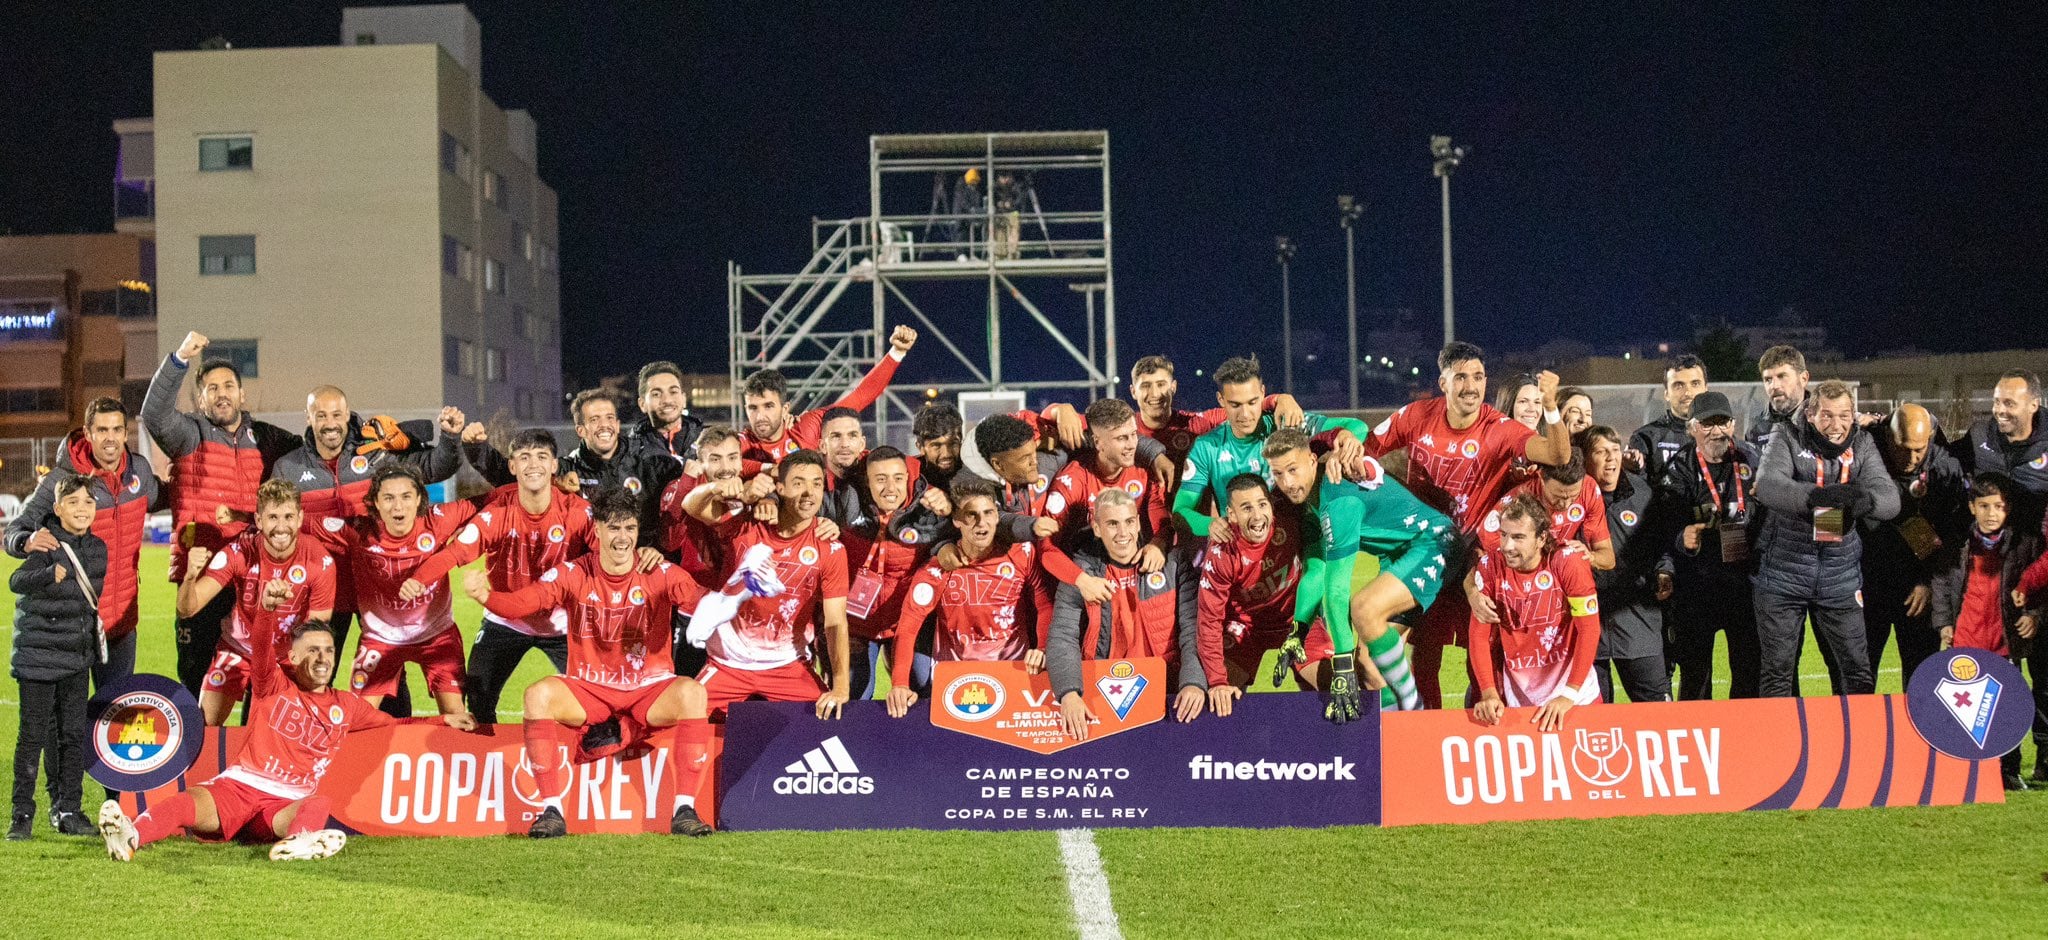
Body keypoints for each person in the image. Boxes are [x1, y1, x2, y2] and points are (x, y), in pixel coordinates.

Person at [467, 489, 740, 838]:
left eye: (629, 528)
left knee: (692, 693)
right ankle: (550, 811)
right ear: (596, 531)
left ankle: (684, 810)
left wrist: (744, 589)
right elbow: (525, 603)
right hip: (589, 690)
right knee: (538, 695)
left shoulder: (661, 572)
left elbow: (706, 605)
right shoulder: (572, 573)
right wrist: (485, 596)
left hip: (648, 690)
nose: (622, 537)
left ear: (638, 531)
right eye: (613, 528)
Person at [98, 619, 473, 861]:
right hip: (239, 786)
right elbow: (261, 647)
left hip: (282, 805)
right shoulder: (272, 683)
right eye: (312, 649)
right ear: (292, 656)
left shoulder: (347, 706)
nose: (322, 657)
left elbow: (396, 724)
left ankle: (296, 844)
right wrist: (267, 608)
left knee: (318, 802)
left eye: (328, 650)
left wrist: (444, 719)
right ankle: (130, 838)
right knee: (185, 804)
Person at [1362, 342, 1572, 708]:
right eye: (1460, 377)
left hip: (1473, 560)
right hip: (1424, 553)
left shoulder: (1499, 428)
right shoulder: (1416, 415)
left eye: (1478, 377)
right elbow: (1365, 447)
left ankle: (1473, 743)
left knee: (1483, 660)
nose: (1470, 386)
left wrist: (1551, 408)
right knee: (1399, 654)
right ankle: (1413, 730)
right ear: (1443, 382)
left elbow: (1558, 455)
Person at [271, 388, 462, 717]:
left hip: (378, 581)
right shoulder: (288, 467)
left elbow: (435, 466)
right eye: (321, 415)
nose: (329, 423)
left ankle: (392, 747)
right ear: (309, 419)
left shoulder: (376, 452)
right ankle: (311, 741)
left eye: (335, 414)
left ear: (347, 415)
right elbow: (278, 523)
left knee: (388, 665)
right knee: (314, 668)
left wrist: (449, 436)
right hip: (322, 590)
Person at [141, 331, 300, 695]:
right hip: (201, 574)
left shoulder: (266, 438)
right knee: (196, 675)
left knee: (258, 673)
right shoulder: (190, 434)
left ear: (242, 394)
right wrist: (180, 358)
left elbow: (313, 454)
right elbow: (154, 414)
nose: (222, 393)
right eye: (212, 388)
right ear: (200, 398)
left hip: (251, 573)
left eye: (228, 385)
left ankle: (251, 748)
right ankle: (203, 751)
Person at [1266, 429, 1457, 720]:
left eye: (1293, 470)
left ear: (1312, 460)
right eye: (1278, 474)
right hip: (1400, 556)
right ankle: (1397, 735)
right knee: (1368, 665)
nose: (1288, 483)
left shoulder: (1338, 501)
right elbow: (1317, 572)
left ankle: (1414, 712)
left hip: (1433, 543)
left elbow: (1337, 589)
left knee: (1363, 608)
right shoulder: (1313, 501)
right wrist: (1298, 631)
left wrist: (1341, 663)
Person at [409, 429, 593, 725]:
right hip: (505, 620)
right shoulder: (498, 512)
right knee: (479, 701)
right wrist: (418, 578)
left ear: (555, 465)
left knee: (592, 701)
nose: (533, 464)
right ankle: (487, 765)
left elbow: (608, 557)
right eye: (524, 457)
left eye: (541, 457)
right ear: (512, 466)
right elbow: (456, 552)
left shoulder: (578, 511)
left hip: (563, 623)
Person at [1753, 380, 1900, 697]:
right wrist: (1817, 497)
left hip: (1840, 577)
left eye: (1845, 415)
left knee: (1857, 673)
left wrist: (1865, 502)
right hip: (1783, 574)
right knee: (1777, 675)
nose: (1837, 425)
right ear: (1809, 414)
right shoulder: (1787, 435)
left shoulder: (1861, 444)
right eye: (1827, 416)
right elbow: (1767, 485)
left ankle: (1855, 744)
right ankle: (1783, 746)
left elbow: (1890, 498)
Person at [4, 397, 163, 690]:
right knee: (70, 724)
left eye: (117, 430)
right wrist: (26, 542)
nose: (110, 439)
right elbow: (15, 531)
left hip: (121, 624)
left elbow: (166, 496)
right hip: (71, 625)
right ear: (88, 434)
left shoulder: (138, 472)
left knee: (112, 718)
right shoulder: (63, 480)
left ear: (125, 433)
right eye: (102, 430)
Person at [680, 450, 853, 718]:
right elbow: (690, 506)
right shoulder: (747, 524)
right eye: (798, 483)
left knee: (829, 723)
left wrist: (841, 687)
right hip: (729, 661)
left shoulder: (830, 548)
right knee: (682, 718)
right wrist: (717, 487)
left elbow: (835, 622)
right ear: (779, 488)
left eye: (816, 483)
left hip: (787, 664)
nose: (809, 492)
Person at [305, 463, 476, 721]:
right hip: (380, 640)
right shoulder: (358, 531)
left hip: (437, 637)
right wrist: (245, 518)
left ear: (419, 498)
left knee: (456, 715)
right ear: (375, 502)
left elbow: (492, 502)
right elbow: (295, 521)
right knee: (359, 719)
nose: (398, 507)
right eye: (388, 498)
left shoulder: (439, 519)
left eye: (406, 497)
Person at [176, 481, 337, 726]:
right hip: (238, 649)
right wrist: (189, 577)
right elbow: (187, 609)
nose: (281, 527)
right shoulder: (239, 551)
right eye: (272, 517)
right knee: (206, 725)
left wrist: (293, 670)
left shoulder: (319, 560)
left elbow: (316, 632)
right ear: (259, 520)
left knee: (288, 729)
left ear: (300, 518)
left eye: (288, 517)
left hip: (287, 658)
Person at [884, 479, 1049, 718]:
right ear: (957, 521)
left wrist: (1042, 647)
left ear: (997, 516)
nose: (982, 523)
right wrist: (899, 683)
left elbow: (1045, 603)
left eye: (988, 513)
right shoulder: (937, 569)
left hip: (1014, 672)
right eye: (971, 515)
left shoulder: (1022, 554)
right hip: (957, 681)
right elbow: (908, 626)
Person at [1046, 489, 1204, 737]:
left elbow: (1193, 629)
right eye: (1112, 524)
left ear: (1139, 523)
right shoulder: (1080, 574)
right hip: (1103, 696)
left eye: (1129, 522)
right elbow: (1062, 635)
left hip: (1166, 692)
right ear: (1097, 528)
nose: (1123, 533)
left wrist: (1193, 681)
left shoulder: (1172, 564)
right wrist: (1068, 693)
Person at [1929, 473, 2040, 790]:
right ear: (1971, 507)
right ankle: (1966, 770)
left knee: (2007, 709)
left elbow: (2039, 588)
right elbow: (1940, 583)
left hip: (2002, 642)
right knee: (1965, 707)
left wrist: (2033, 615)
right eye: (1985, 506)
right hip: (1967, 640)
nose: (1993, 514)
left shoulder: (2022, 544)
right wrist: (1944, 623)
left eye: (2000, 506)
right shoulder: (1958, 545)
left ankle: (2008, 771)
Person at [9, 478, 106, 840]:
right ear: (58, 507)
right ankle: (21, 815)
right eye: (73, 501)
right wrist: (48, 574)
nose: (82, 508)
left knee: (72, 735)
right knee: (32, 737)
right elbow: (17, 582)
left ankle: (70, 810)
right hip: (38, 656)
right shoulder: (44, 542)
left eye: (88, 502)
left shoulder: (99, 549)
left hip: (76, 657)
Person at [1174, 356, 1366, 539]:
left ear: (1263, 393)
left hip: (1296, 545)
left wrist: (1341, 449)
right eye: (1235, 405)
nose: (1245, 414)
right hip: (1241, 550)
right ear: (1221, 400)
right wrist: (1210, 524)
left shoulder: (1285, 424)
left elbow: (1357, 427)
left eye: (1252, 402)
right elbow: (1181, 511)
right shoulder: (1207, 447)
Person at [1195, 474, 1334, 712]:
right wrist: (1218, 682)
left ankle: (1329, 748)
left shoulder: (1290, 516)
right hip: (1246, 628)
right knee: (1216, 700)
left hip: (1296, 621)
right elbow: (1209, 622)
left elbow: (1309, 462)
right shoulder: (1222, 554)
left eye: (1262, 504)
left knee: (1334, 688)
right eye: (1246, 508)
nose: (1258, 516)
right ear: (1231, 514)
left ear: (1271, 504)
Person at [1656, 390, 1762, 699]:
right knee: (1696, 673)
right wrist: (1681, 536)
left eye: (1723, 422)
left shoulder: (1752, 458)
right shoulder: (1680, 466)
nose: (1717, 431)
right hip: (1697, 588)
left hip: (1745, 584)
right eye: (1707, 424)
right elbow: (1663, 523)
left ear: (1733, 424)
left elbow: (1770, 513)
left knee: (1748, 669)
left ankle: (1743, 736)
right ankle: (1699, 739)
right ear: (1692, 428)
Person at [1468, 495, 1604, 730]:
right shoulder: (1491, 566)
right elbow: (1478, 634)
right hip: (1521, 705)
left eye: (1518, 537)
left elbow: (1589, 630)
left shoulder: (1568, 563)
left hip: (1576, 700)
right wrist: (1489, 692)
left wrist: (1568, 695)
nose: (1507, 546)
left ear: (1541, 538)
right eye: (1503, 535)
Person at [1859, 403, 1966, 685]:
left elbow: (1956, 535)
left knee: (1922, 682)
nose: (1912, 457)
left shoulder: (1945, 467)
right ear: (1887, 436)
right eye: (1902, 447)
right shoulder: (1865, 452)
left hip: (1920, 592)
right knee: (1858, 678)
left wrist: (1930, 582)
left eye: (1919, 449)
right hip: (1869, 587)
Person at [839, 446, 950, 700]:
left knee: (921, 685)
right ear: (867, 483)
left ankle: (917, 741)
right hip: (857, 625)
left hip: (907, 621)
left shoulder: (927, 511)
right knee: (856, 693)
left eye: (898, 478)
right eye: (881, 479)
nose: (891, 488)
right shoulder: (845, 506)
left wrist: (949, 508)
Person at [1041, 399, 1176, 590]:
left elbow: (1163, 522)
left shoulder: (1144, 471)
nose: (1132, 445)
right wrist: (1082, 580)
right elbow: (1046, 548)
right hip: (1083, 576)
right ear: (1098, 442)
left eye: (1133, 435)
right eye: (1121, 438)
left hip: (1131, 571)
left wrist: (1158, 544)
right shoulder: (1072, 481)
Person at [1583, 426, 1672, 703]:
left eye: (1614, 451)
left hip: (1637, 620)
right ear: (1586, 458)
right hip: (1589, 627)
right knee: (1594, 720)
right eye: (1600, 452)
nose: (1610, 459)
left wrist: (1665, 570)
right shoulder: (1574, 496)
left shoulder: (1642, 492)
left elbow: (1662, 541)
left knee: (1657, 711)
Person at [739, 325, 917, 464]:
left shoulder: (808, 427)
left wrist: (896, 353)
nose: (760, 415)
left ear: (785, 408)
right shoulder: (741, 444)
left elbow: (861, 395)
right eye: (753, 408)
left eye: (768, 406)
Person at [1127, 354, 1301, 468]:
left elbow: (1241, 408)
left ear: (1173, 387)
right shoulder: (1123, 431)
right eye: (1145, 386)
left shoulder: (1194, 424)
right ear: (1133, 391)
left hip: (1184, 516)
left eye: (1161, 384)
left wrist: (1280, 399)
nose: (1155, 394)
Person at [557, 390, 682, 549]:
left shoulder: (650, 461)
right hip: (591, 563)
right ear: (580, 430)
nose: (604, 425)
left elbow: (686, 488)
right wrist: (555, 481)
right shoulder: (569, 469)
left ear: (617, 425)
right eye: (594, 419)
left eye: (609, 418)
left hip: (644, 559)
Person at [1477, 451, 1616, 571]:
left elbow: (1608, 558)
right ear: (1541, 478)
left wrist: (1589, 557)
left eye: (1574, 497)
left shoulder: (1589, 489)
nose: (1566, 504)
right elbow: (1488, 545)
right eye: (1558, 497)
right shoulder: (1516, 501)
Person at [1629, 354, 1709, 483]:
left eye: (1695, 384)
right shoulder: (1646, 438)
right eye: (1678, 385)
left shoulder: (1721, 436)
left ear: (1706, 389)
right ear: (1666, 393)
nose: (1688, 393)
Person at [628, 360, 706, 463]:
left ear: (683, 399)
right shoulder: (628, 452)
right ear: (642, 404)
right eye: (656, 394)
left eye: (673, 392)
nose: (667, 400)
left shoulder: (709, 442)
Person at [1749, 345, 1810, 449]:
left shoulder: (1824, 421)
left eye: (1782, 377)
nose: (1774, 386)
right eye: (1768, 380)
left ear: (1803, 378)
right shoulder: (1757, 429)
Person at [911, 401, 966, 492]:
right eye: (936, 446)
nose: (946, 454)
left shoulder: (976, 471)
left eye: (953, 444)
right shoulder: (908, 476)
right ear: (920, 447)